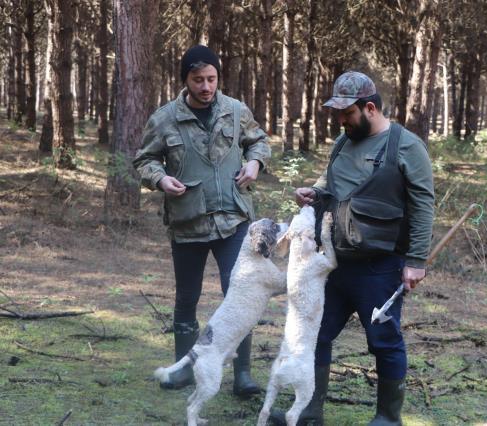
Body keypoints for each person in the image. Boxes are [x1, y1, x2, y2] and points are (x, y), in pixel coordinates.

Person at [274, 71, 435, 425]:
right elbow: (329, 181)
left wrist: (417, 260)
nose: (341, 120)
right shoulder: (343, 142)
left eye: (347, 113)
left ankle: (388, 418)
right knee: (317, 332)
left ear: (371, 108)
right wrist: (312, 193)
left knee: (384, 340)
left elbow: (424, 205)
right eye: (339, 113)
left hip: (380, 266)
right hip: (333, 262)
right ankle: (308, 411)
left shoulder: (406, 146)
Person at [133, 45, 271, 394]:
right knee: (187, 298)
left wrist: (255, 163)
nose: (206, 86)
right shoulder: (164, 118)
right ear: (185, 81)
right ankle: (183, 371)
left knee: (239, 294)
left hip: (233, 221)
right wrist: (161, 179)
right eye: (198, 80)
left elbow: (258, 143)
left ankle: (242, 375)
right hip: (188, 221)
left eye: (211, 79)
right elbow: (144, 161)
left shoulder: (236, 111)